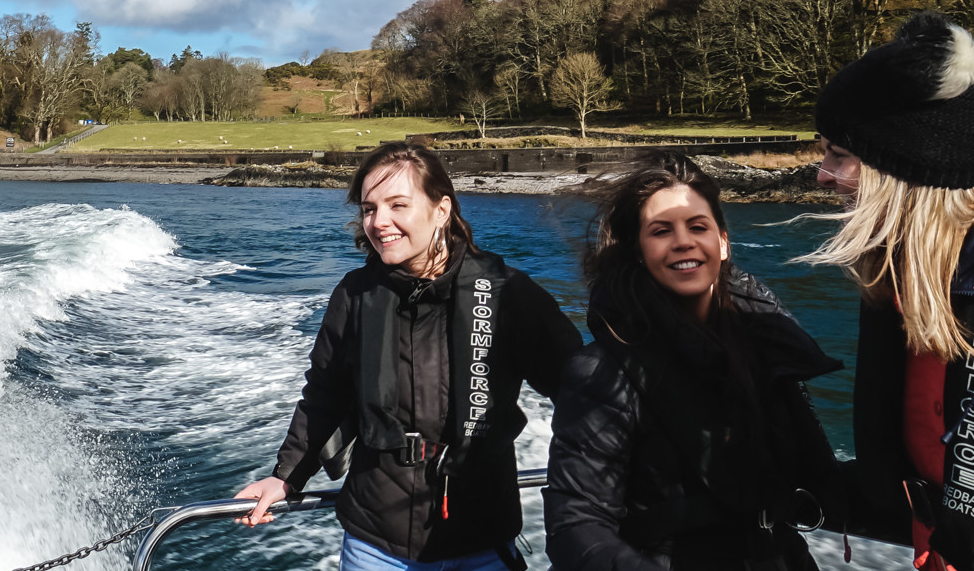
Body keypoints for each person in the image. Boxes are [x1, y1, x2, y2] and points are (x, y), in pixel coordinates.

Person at [234, 142, 582, 571]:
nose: (380, 222)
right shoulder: (355, 295)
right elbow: (325, 395)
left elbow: (581, 388)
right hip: (376, 541)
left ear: (441, 210)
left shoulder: (507, 293)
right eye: (369, 208)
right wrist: (285, 477)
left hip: (481, 535)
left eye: (398, 204)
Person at [803, 12, 974, 571]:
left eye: (840, 154)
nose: (822, 174)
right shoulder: (900, 267)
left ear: (906, 167)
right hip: (940, 546)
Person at [544, 153, 844, 571]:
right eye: (661, 231)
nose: (683, 241)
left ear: (723, 243)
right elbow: (574, 526)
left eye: (697, 227)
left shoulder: (769, 345)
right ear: (638, 252)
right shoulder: (602, 371)